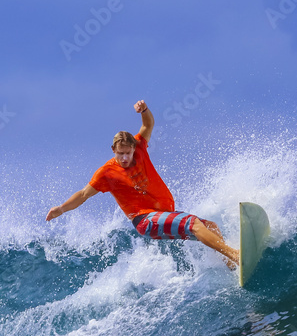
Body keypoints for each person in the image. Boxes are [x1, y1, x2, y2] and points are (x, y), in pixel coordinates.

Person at [46, 100, 239, 268]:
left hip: (164, 214)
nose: (124, 158)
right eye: (120, 153)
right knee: (192, 224)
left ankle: (230, 264)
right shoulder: (106, 173)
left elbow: (148, 125)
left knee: (211, 226)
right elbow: (83, 194)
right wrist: (61, 209)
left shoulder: (140, 149)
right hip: (145, 221)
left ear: (133, 149)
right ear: (113, 150)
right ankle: (235, 255)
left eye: (127, 153)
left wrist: (144, 110)